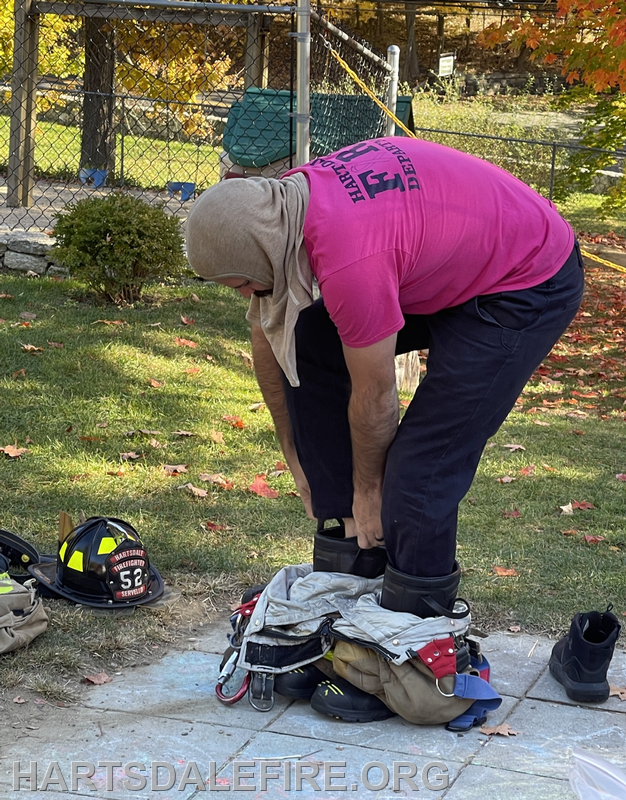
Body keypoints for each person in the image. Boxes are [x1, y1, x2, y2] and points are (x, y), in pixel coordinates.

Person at [186, 136, 584, 621]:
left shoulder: (349, 257)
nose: (249, 293)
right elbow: (269, 335)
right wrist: (294, 453)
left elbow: (376, 398)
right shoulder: (278, 208)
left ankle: (415, 639)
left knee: (422, 466)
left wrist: (370, 488)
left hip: (526, 281)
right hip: (449, 258)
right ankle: (352, 565)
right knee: (311, 336)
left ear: (257, 257)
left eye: (244, 283)